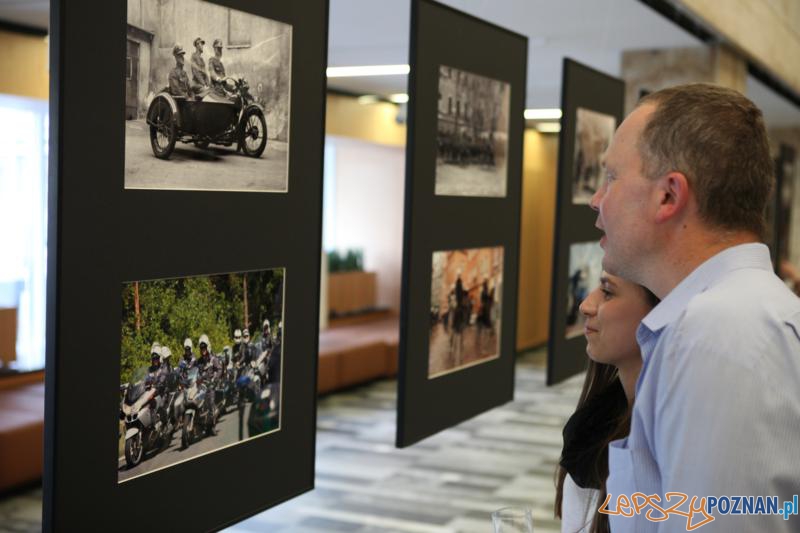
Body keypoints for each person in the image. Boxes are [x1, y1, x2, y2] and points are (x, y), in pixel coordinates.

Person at [591, 83, 800, 531]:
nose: (596, 199)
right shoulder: (730, 317)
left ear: (669, 195)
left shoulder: (718, 333)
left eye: (611, 177)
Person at [555, 273, 658, 533]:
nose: (586, 305)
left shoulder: (668, 435)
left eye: (608, 291)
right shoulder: (593, 425)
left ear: (658, 312)